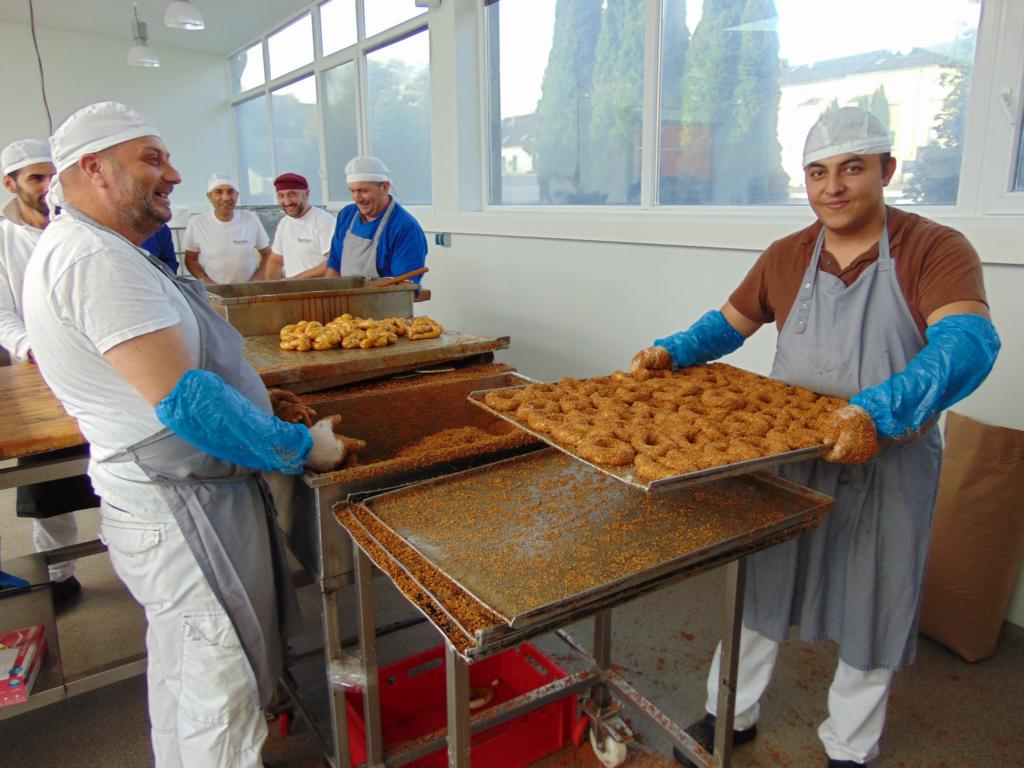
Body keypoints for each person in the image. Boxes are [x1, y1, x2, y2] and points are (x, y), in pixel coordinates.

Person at [631, 108, 1000, 768]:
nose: (833, 187)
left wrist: (874, 412)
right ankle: (730, 712)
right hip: (790, 461)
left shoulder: (934, 250)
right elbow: (728, 324)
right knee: (761, 586)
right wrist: (675, 349)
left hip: (890, 465)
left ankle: (849, 748)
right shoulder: (787, 256)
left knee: (876, 600)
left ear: (887, 170)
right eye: (818, 172)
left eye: (852, 168)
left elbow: (967, 345)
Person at [22, 101, 356, 767]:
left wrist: (257, 397)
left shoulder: (105, 248)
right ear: (94, 169)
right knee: (219, 684)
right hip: (179, 511)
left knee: (184, 663)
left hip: (169, 498)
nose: (173, 173)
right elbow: (186, 402)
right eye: (152, 158)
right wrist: (296, 449)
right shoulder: (95, 260)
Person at [1, 138, 98, 603]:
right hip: (38, 371)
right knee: (50, 480)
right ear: (10, 183)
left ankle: (133, 558)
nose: (45, 187)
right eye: (34, 178)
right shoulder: (3, 238)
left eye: (50, 176)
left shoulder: (75, 224)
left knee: (112, 464)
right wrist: (35, 348)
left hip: (96, 363)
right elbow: (3, 314)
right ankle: (59, 575)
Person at [325, 155, 427, 281]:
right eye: (352, 191)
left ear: (384, 187)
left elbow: (404, 288)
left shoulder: (405, 228)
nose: (357, 199)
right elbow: (334, 265)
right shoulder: (347, 215)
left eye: (363, 191)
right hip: (344, 299)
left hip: (384, 300)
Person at [183, 173, 270, 284]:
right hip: (215, 295)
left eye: (230, 192)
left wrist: (257, 280)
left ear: (237, 195)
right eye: (218, 192)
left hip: (249, 292)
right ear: (209, 197)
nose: (225, 197)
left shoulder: (250, 219)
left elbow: (267, 253)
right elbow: (190, 259)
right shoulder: (197, 223)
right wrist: (209, 284)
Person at [263, 172, 335, 280]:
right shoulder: (284, 223)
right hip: (293, 293)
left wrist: (293, 281)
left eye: (292, 194)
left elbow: (332, 263)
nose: (286, 201)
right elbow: (276, 260)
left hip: (320, 293)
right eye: (281, 196)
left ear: (306, 194)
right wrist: (269, 288)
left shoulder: (323, 221)